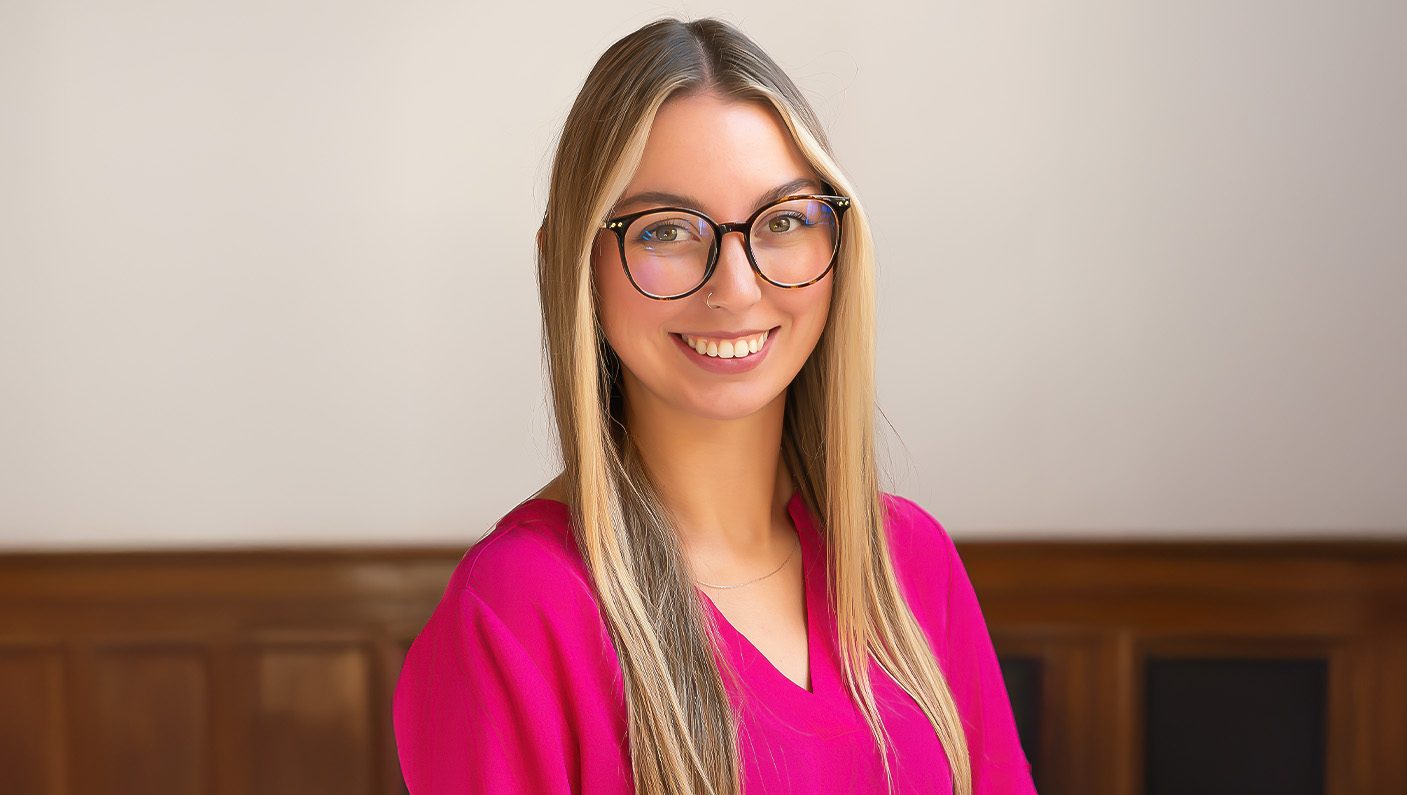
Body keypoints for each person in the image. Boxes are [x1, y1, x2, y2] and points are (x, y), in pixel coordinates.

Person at [393, 17, 1036, 795]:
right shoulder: (518, 609)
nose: (735, 287)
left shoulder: (911, 561)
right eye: (666, 229)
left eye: (786, 220)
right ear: (573, 263)